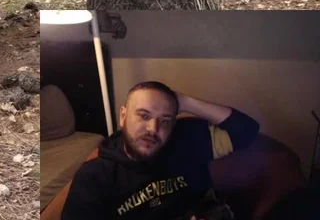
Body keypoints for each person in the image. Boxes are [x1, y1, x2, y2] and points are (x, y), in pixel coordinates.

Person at [61, 81, 259, 220]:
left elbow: (247, 131)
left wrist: (185, 101)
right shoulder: (95, 176)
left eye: (164, 121)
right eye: (144, 116)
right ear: (123, 116)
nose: (153, 129)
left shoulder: (186, 142)